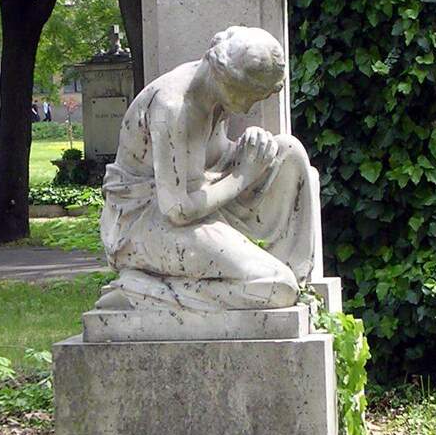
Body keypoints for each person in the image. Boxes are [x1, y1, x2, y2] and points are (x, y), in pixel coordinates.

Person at [96, 25, 317, 311]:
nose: (248, 108)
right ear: (226, 77)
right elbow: (177, 210)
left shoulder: (213, 92)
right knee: (277, 288)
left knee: (288, 151)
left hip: (201, 199)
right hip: (147, 223)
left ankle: (292, 274)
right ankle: (142, 291)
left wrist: (250, 147)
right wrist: (243, 176)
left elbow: (209, 159)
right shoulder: (172, 108)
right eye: (248, 96)